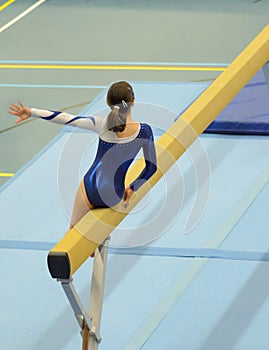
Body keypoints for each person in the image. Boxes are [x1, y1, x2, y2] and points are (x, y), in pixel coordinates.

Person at [8, 81, 157, 229]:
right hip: (114, 195)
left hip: (90, 188)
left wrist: (32, 112)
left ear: (108, 103)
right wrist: (132, 188)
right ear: (133, 102)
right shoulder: (145, 131)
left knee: (72, 238)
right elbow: (151, 167)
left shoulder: (100, 124)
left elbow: (65, 118)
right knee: (94, 237)